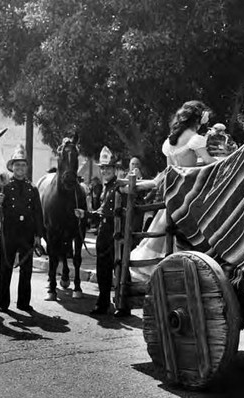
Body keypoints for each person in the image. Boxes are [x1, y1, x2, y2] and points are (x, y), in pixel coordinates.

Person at [130, 100, 217, 261]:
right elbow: (207, 160)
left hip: (173, 195)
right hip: (189, 195)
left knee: (162, 234)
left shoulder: (169, 142)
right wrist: (225, 160)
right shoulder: (196, 139)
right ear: (198, 120)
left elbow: (170, 171)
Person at [0, 144, 44, 313]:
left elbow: (38, 214)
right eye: (17, 164)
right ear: (12, 167)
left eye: (23, 165)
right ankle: (3, 304)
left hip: (27, 234)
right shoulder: (3, 185)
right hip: (8, 233)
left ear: (26, 168)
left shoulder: (32, 188)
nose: (20, 167)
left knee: (26, 271)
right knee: (5, 269)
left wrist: (38, 236)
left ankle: (23, 303)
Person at [74, 146, 128, 317]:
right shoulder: (105, 188)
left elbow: (126, 211)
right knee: (103, 269)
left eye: (109, 168)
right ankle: (103, 303)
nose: (105, 171)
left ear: (115, 169)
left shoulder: (120, 187)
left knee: (119, 269)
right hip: (104, 233)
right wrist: (86, 214)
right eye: (103, 168)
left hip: (116, 232)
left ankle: (123, 304)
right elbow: (102, 212)